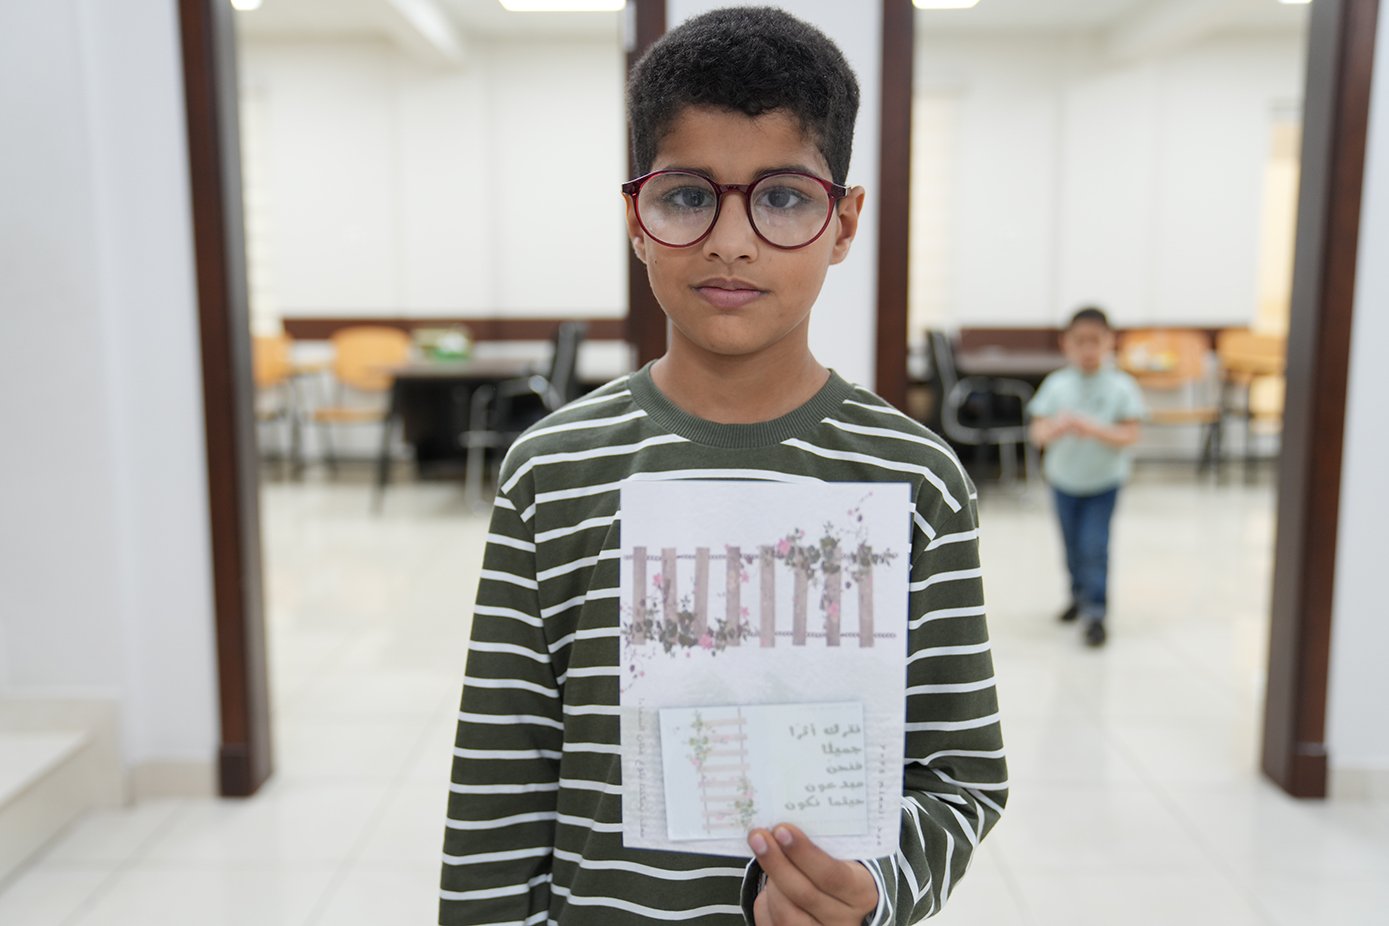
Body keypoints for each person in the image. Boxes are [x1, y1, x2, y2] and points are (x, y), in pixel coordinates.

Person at [440, 9, 1006, 925]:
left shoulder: (915, 479)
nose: (731, 241)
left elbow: (958, 774)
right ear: (636, 217)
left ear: (842, 222)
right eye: (685, 196)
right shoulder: (551, 471)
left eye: (782, 197)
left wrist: (872, 891)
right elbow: (500, 780)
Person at [1027, 307, 1145, 648]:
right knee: (1071, 546)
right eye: (1080, 342)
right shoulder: (1056, 385)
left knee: (1094, 546)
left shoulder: (1121, 386)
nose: (1088, 349)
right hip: (1063, 481)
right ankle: (1077, 595)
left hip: (1103, 483)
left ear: (1110, 343)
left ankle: (1096, 612)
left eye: (1096, 341)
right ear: (1066, 344)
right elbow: (1037, 434)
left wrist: (1092, 428)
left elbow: (1130, 434)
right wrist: (1057, 427)